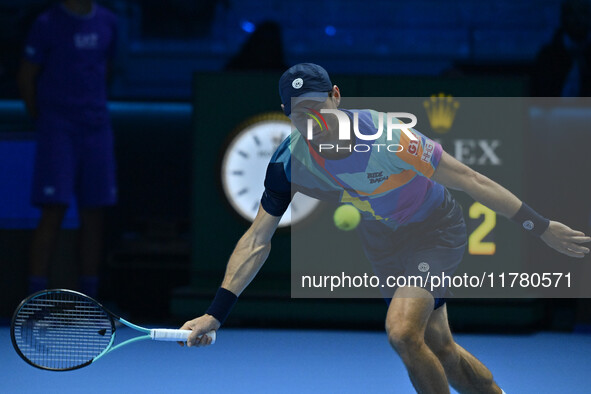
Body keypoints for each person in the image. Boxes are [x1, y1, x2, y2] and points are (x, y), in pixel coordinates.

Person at [179, 63, 590, 393]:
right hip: (383, 242)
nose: (314, 119)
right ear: (288, 115)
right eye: (302, 112)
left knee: (401, 332)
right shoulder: (290, 162)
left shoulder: (389, 139)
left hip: (435, 229)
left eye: (319, 106)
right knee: (439, 347)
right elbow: (257, 239)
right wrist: (216, 314)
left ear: (336, 97)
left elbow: (470, 179)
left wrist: (541, 227)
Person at [18, 0, 118, 298]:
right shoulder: (46, 24)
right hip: (58, 128)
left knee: (95, 213)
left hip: (97, 127)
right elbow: (26, 77)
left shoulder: (109, 22)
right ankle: (34, 300)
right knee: (53, 210)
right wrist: (48, 120)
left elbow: (107, 70)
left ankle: (90, 300)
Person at [532, 0, 591, 96]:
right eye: (571, 13)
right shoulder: (548, 56)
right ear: (563, 18)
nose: (578, 19)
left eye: (583, 12)